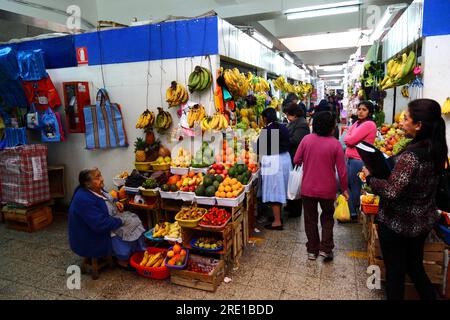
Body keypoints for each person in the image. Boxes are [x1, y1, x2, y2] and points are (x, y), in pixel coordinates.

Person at [363, 99, 447, 300]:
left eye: (406, 118)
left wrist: (370, 178)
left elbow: (392, 191)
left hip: (397, 223)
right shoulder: (436, 148)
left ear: (419, 125)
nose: (401, 122)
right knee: (415, 267)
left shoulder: (412, 156)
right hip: (422, 222)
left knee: (395, 274)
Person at [294, 111, 349, 260]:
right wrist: (344, 189)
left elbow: (297, 159)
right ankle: (325, 249)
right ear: (332, 127)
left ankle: (312, 250)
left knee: (310, 218)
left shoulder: (306, 140)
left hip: (308, 188)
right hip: (328, 189)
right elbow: (342, 171)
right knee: (327, 217)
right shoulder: (336, 144)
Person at [69, 168, 146, 269]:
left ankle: (137, 252)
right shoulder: (84, 199)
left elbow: (107, 197)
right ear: (87, 184)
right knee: (128, 224)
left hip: (107, 219)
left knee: (134, 219)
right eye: (97, 177)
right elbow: (100, 225)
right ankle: (122, 258)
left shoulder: (95, 189)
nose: (102, 179)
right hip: (91, 235)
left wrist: (116, 201)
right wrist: (121, 221)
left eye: (100, 175)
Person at [257, 107, 292, 230]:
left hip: (274, 162)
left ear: (265, 118)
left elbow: (259, 148)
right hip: (285, 160)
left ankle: (277, 221)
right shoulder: (283, 127)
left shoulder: (267, 130)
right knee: (280, 188)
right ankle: (278, 216)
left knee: (275, 190)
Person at [343, 101, 377, 221]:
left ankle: (354, 213)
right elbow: (347, 137)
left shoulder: (369, 125)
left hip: (359, 160)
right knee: (348, 185)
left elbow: (349, 140)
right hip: (350, 159)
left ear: (370, 112)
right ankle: (352, 211)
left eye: (364, 109)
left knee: (355, 186)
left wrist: (349, 136)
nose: (360, 112)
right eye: (359, 109)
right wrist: (349, 136)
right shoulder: (357, 123)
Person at [285, 102, 310, 218]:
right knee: (292, 180)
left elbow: (296, 140)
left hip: (297, 156)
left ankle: (295, 210)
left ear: (294, 114)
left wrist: (283, 139)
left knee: (296, 181)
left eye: (288, 114)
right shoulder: (295, 122)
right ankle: (291, 205)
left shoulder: (302, 124)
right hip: (291, 155)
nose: (287, 117)